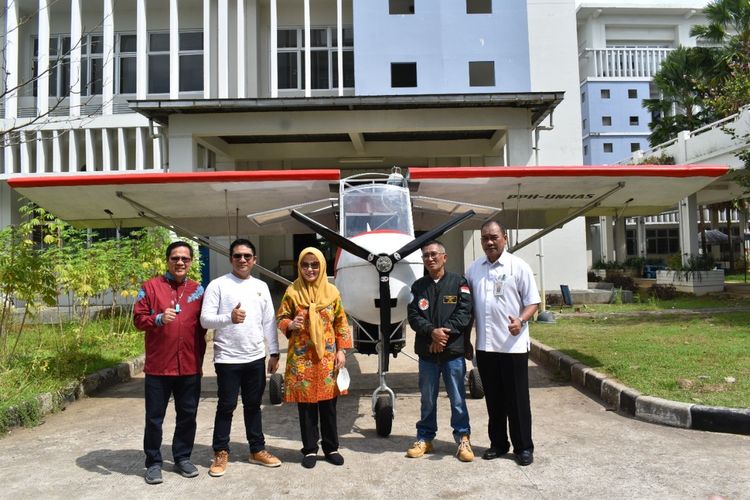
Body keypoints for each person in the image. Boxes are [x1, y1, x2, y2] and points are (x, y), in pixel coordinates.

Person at [200, 238, 281, 476]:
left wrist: (274, 352)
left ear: (254, 260)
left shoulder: (261, 286)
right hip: (227, 358)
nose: (242, 260)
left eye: (247, 256)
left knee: (253, 405)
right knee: (226, 406)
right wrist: (229, 317)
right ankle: (220, 452)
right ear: (230, 259)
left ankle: (257, 450)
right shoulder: (218, 285)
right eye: (238, 256)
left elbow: (269, 322)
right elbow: (205, 320)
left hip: (255, 356)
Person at [465, 221, 540, 466]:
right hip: (486, 347)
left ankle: (523, 447)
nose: (489, 242)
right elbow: (469, 310)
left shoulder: (518, 267)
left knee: (517, 400)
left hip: (513, 347)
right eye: (485, 238)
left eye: (494, 237)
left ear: (504, 238)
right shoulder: (474, 269)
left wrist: (521, 320)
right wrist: (467, 340)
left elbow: (532, 302)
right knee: (494, 400)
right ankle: (498, 443)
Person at [133, 241, 207, 485]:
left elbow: (208, 321)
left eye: (185, 259)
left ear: (191, 262)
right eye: (175, 258)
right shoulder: (151, 287)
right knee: (154, 418)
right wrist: (157, 319)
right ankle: (153, 463)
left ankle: (182, 457)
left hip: (189, 365)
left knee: (188, 415)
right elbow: (138, 318)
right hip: (159, 367)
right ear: (167, 260)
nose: (180, 262)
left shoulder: (198, 291)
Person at [276, 247, 352, 469]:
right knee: (307, 408)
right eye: (305, 265)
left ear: (322, 266)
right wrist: (290, 324)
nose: (310, 269)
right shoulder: (292, 292)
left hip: (328, 358)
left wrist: (341, 350)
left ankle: (331, 447)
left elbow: (341, 323)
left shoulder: (332, 293)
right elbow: (281, 317)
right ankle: (309, 449)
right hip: (302, 359)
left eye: (314, 264)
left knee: (329, 406)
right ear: (299, 267)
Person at [406, 240, 474, 462]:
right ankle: (425, 438)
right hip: (427, 354)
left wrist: (442, 335)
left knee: (457, 398)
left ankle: (463, 438)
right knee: (427, 398)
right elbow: (414, 316)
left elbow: (464, 313)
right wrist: (431, 332)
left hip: (452, 353)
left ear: (444, 257)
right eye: (426, 256)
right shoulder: (418, 286)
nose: (430, 258)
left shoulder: (459, 282)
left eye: (434, 254)